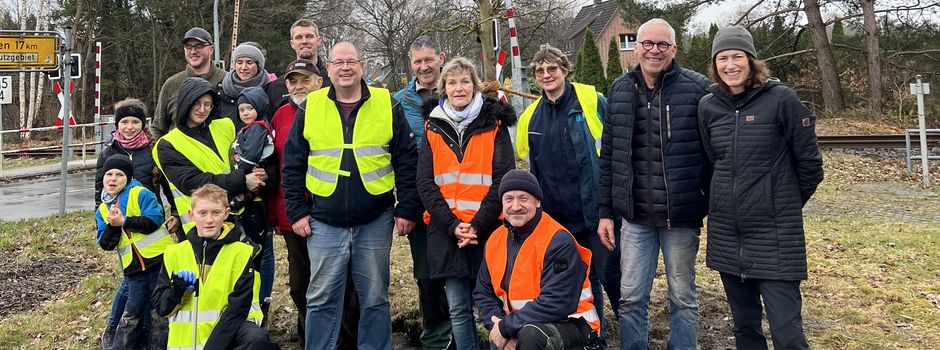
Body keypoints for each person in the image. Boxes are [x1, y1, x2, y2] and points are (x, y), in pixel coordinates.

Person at [281, 41, 420, 350]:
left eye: (351, 62)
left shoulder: (387, 104)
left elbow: (407, 159)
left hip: (375, 219)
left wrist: (407, 208)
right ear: (328, 69)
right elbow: (292, 165)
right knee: (320, 298)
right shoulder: (311, 106)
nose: (345, 67)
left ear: (361, 66)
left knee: (375, 297)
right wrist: (297, 212)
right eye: (338, 62)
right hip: (323, 222)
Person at [698, 25, 823, 350]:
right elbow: (712, 164)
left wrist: (780, 204)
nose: (730, 65)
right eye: (722, 58)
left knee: (787, 334)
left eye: (737, 57)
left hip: (776, 238)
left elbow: (810, 166)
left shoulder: (782, 99)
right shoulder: (708, 106)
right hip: (728, 237)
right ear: (715, 64)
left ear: (752, 60)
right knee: (745, 329)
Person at [597, 18, 710, 350]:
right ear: (636, 47)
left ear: (673, 49)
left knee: (683, 298)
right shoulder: (620, 90)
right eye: (647, 43)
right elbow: (609, 156)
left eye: (662, 44)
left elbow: (714, 151)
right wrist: (605, 212)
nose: (654, 51)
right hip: (635, 219)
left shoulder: (697, 88)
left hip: (681, 217)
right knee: (631, 298)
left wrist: (705, 199)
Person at [515, 45, 612, 344]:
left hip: (596, 213)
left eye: (552, 69)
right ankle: (594, 338)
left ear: (565, 70)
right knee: (578, 282)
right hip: (557, 220)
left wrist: (609, 207)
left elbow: (614, 152)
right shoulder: (530, 117)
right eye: (540, 71)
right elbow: (532, 170)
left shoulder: (592, 103)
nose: (546, 75)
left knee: (614, 279)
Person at [417, 56, 516, 350]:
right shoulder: (432, 126)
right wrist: (453, 226)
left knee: (494, 308)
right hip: (447, 231)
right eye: (452, 82)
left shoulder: (494, 124)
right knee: (459, 310)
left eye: (464, 81)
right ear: (443, 88)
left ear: (475, 86)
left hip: (487, 229)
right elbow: (425, 182)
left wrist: (475, 225)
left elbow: (503, 178)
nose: (458, 88)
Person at [474, 170, 600, 350]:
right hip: (520, 325)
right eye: (509, 199)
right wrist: (498, 326)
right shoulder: (495, 239)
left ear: (538, 202)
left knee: (531, 336)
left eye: (523, 198)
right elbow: (483, 292)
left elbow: (556, 302)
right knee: (501, 338)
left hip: (572, 325)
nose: (515, 206)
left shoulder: (558, 241)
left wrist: (506, 327)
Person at [151, 183, 279, 349]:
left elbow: (237, 309)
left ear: (226, 214)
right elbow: (162, 308)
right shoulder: (174, 253)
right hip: (186, 344)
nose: (209, 220)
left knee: (256, 338)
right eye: (203, 213)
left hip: (224, 339)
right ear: (191, 215)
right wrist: (177, 290)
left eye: (216, 213)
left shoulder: (241, 253)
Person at [94, 99, 176, 349]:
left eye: (135, 122)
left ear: (143, 124)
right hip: (122, 232)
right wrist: (104, 219)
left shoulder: (153, 149)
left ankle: (148, 336)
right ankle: (113, 328)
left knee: (150, 287)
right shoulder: (108, 152)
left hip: (149, 222)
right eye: (124, 122)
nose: (129, 127)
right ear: (117, 124)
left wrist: (174, 212)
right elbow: (99, 190)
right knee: (131, 284)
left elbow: (167, 184)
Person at [392, 35, 453, 349]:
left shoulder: (460, 90)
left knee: (460, 268)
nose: (424, 66)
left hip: (459, 196)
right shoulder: (399, 102)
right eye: (418, 61)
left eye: (429, 59)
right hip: (419, 198)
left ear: (441, 58)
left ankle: (464, 330)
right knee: (427, 271)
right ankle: (435, 337)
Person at [153, 77, 267, 234]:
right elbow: (192, 182)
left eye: (207, 104)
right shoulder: (167, 144)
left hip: (248, 213)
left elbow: (253, 152)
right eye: (196, 103)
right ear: (185, 103)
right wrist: (243, 181)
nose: (202, 109)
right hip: (206, 225)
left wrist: (263, 173)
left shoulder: (226, 125)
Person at [265, 58, 323, 346]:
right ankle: (307, 330)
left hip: (326, 212)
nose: (299, 86)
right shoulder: (280, 116)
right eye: (293, 81)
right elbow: (276, 168)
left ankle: (331, 334)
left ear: (319, 83)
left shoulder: (330, 111)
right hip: (291, 214)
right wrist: (275, 215)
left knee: (329, 280)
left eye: (305, 80)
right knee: (300, 282)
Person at [231, 85, 278, 325]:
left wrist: (238, 177)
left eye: (250, 108)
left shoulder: (258, 129)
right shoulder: (248, 128)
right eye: (241, 109)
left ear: (259, 108)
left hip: (253, 192)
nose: (245, 113)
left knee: (261, 251)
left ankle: (260, 303)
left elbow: (249, 156)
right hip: (249, 189)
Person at [151, 27, 226, 139]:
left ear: (211, 49)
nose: (193, 51)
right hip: (178, 149)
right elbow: (158, 129)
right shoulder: (171, 84)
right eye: (188, 47)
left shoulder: (227, 81)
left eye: (199, 46)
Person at [267, 19, 332, 115]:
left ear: (318, 41)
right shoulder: (276, 87)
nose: (304, 41)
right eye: (299, 37)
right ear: (292, 44)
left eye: (309, 36)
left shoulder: (333, 82)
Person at [220, 43, 270, 122]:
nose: (243, 67)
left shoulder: (269, 90)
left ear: (259, 66)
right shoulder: (222, 90)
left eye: (249, 63)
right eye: (239, 62)